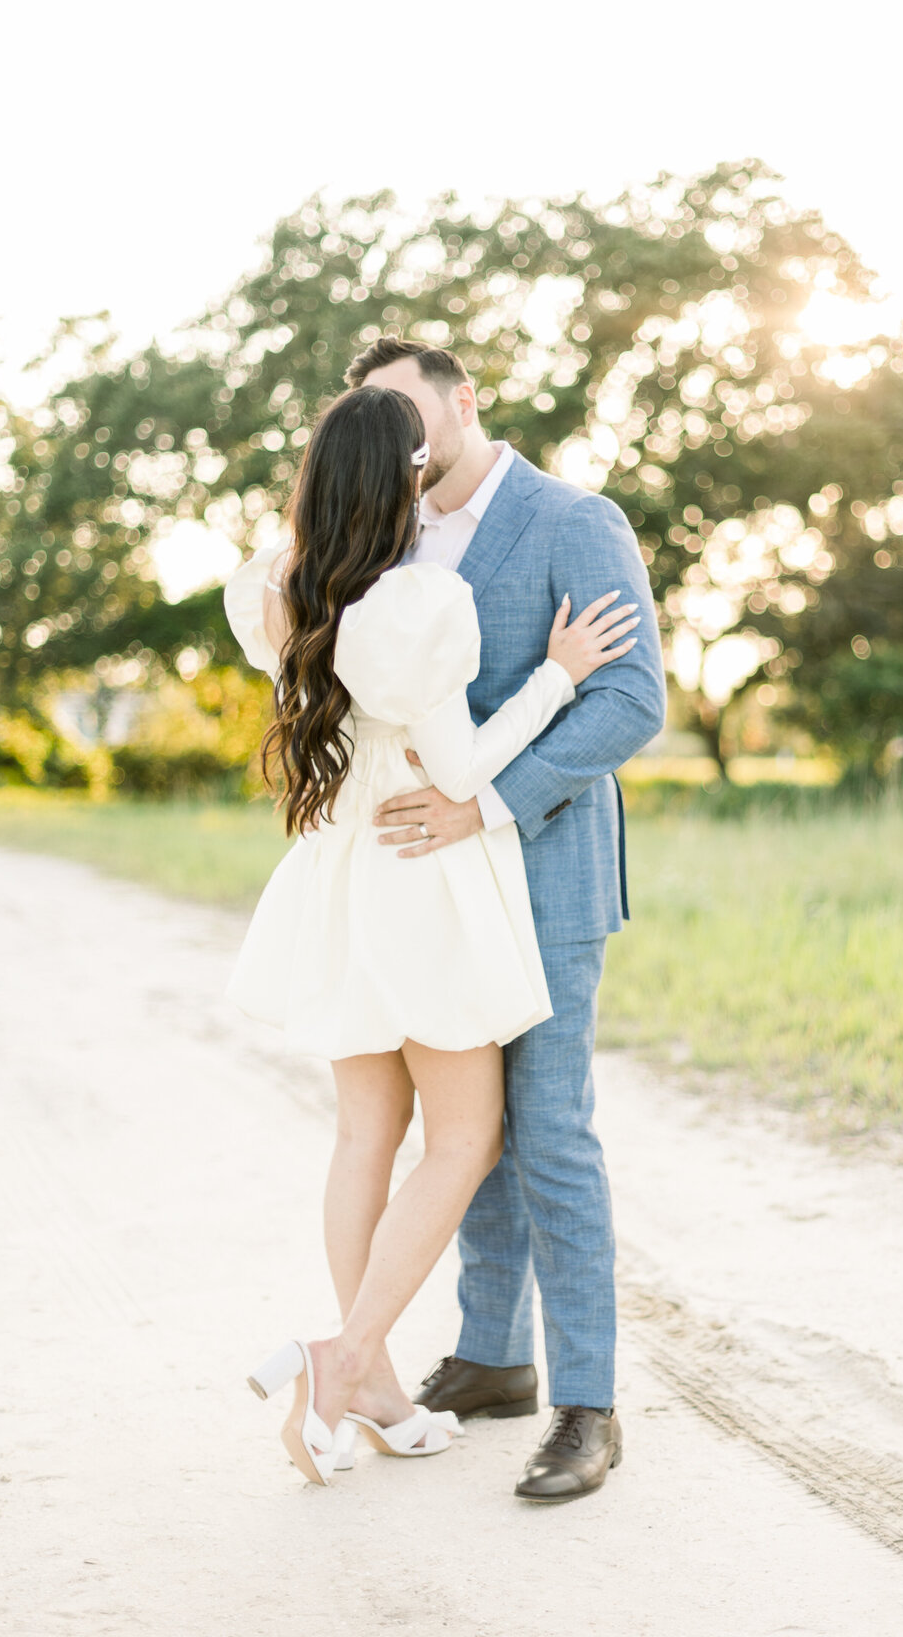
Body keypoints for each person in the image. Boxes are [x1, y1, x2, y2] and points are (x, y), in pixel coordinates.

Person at [227, 382, 642, 1485]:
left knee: (368, 1131)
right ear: (407, 474)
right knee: (469, 1140)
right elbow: (457, 773)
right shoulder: (416, 604)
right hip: (425, 881)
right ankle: (347, 1356)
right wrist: (559, 674)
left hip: (347, 878)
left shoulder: (277, 589)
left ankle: (380, 1385)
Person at [349, 338, 666, 1504]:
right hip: (431, 895)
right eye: (372, 417)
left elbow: (632, 703)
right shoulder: (386, 535)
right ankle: (494, 1357)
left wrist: (485, 806)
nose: (397, 433)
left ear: (462, 398)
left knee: (550, 1133)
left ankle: (589, 1403)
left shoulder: (578, 522)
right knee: (463, 1132)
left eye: (406, 406)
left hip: (544, 876)